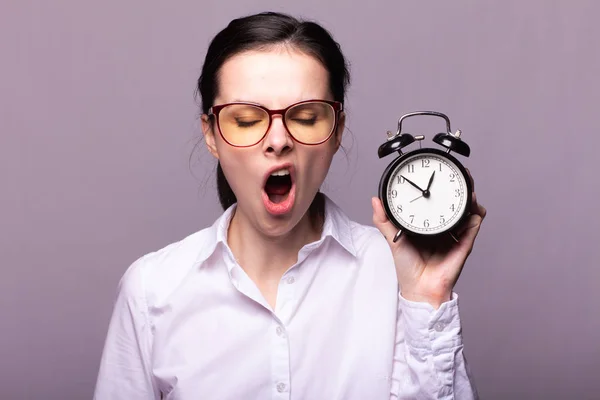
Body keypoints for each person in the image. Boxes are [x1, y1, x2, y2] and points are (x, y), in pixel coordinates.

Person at [94, 11, 486, 400]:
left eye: (305, 117)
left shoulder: (398, 278)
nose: (278, 140)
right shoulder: (151, 291)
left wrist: (428, 300)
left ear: (337, 132)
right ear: (211, 135)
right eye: (246, 120)